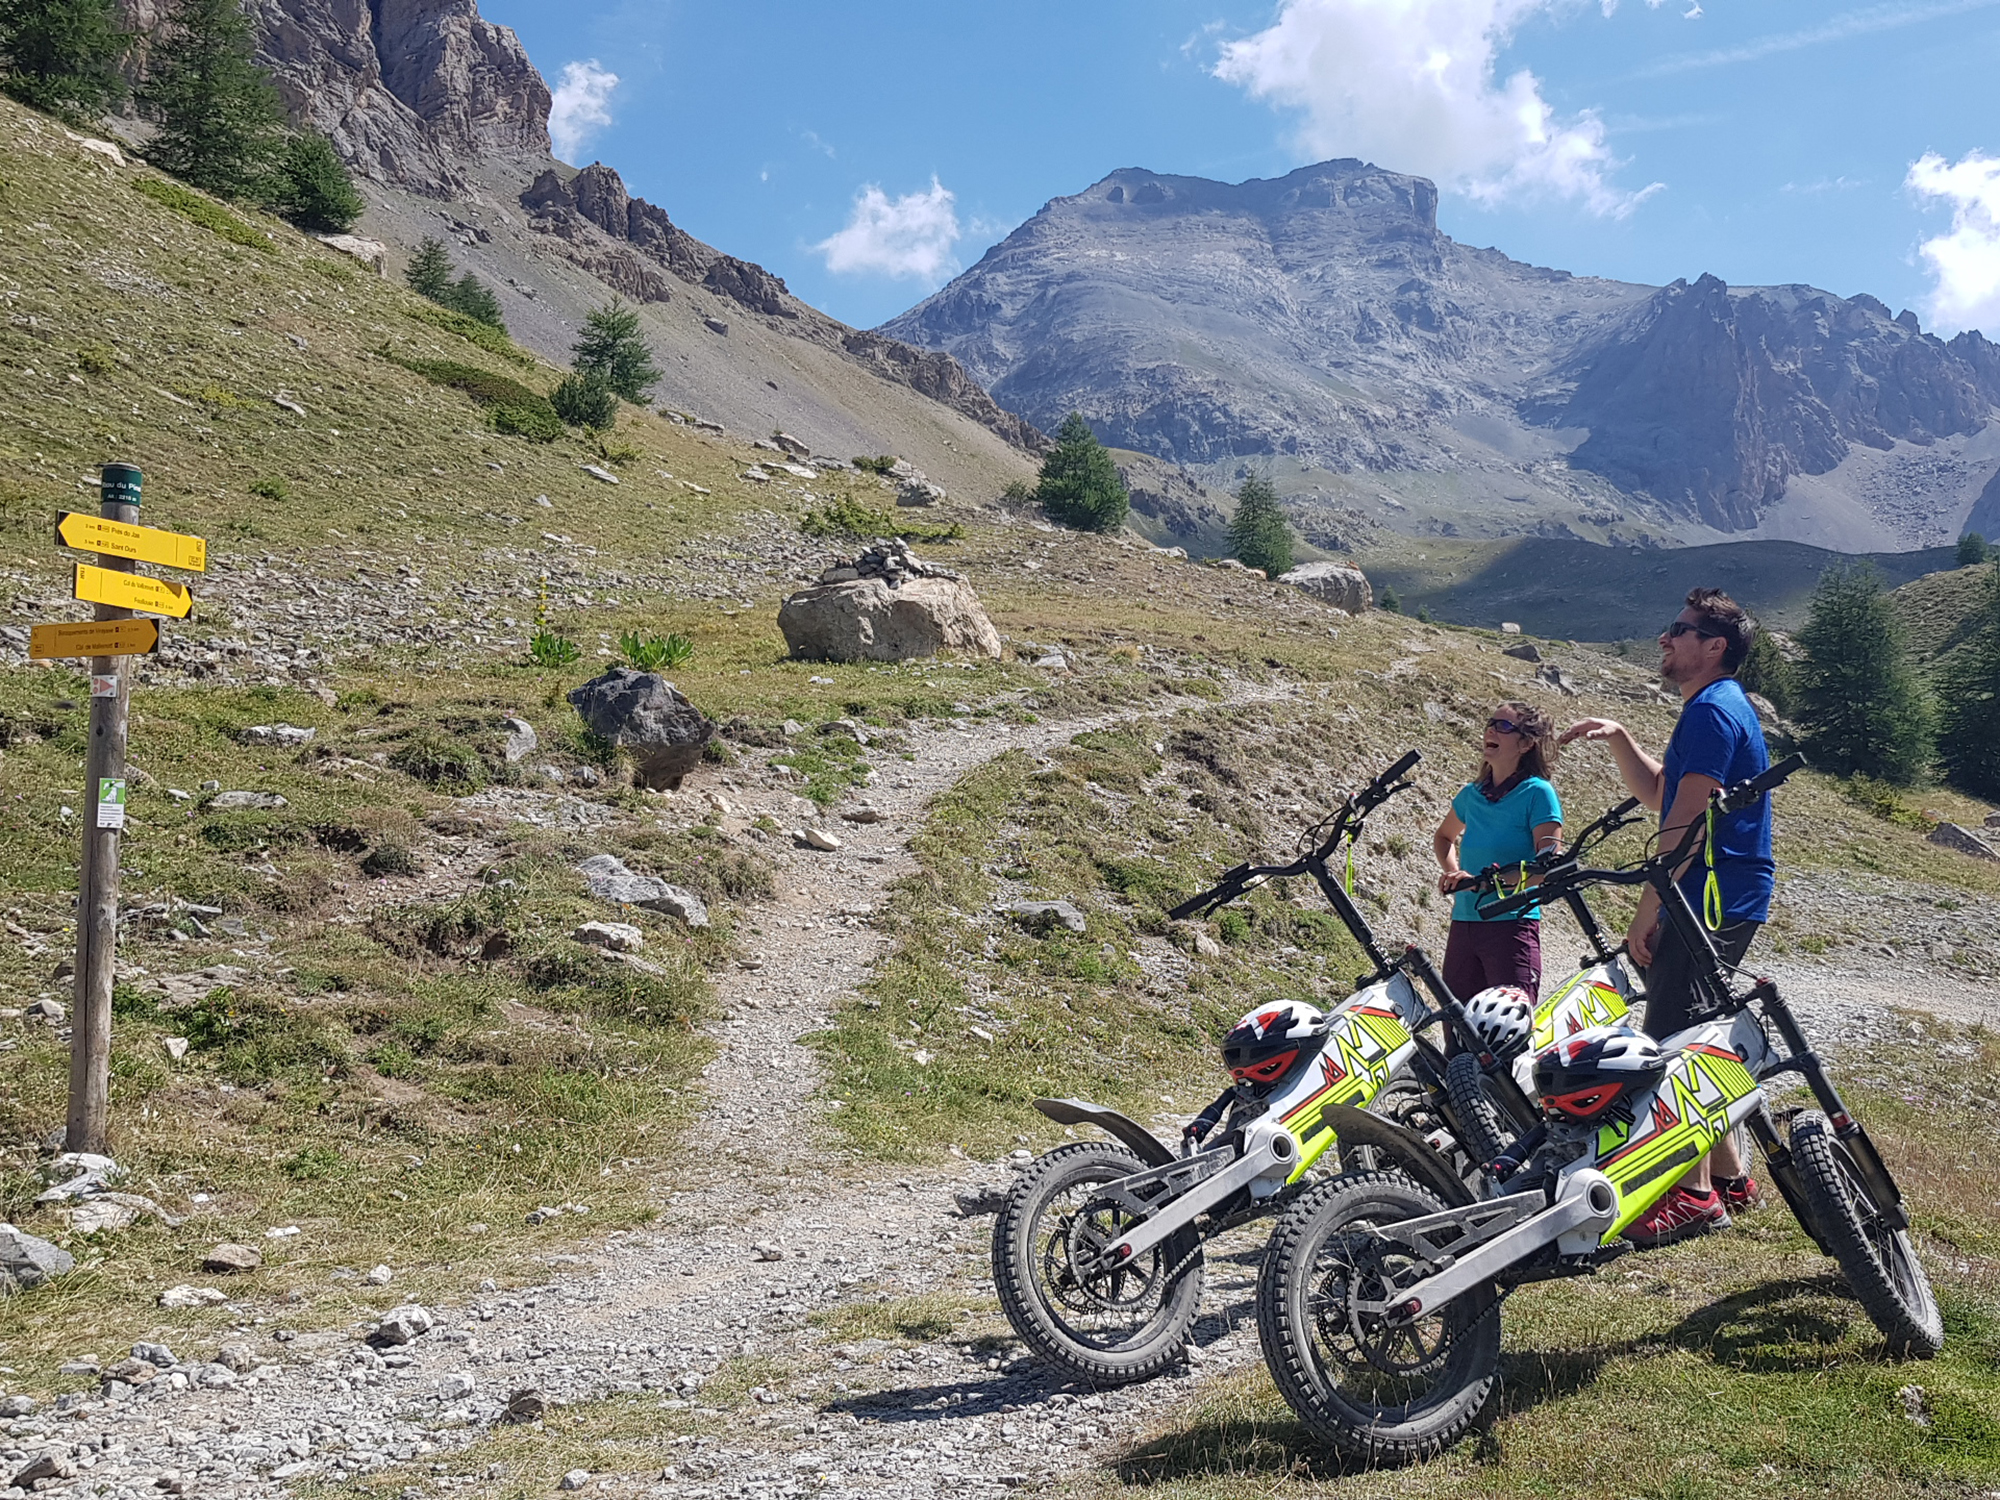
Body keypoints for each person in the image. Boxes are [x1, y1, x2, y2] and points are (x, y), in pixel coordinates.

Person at [1559, 586, 1772, 1246]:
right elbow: (1662, 794)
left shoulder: (1712, 711)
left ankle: (1693, 1196)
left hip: (1706, 898)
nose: (1665, 638)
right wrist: (1622, 738)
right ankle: (1733, 1178)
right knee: (1693, 1034)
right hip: (1721, 893)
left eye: (1679, 629)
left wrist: (1646, 912)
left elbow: (1681, 829)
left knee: (1670, 1047)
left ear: (1715, 646)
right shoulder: (1709, 708)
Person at [1432, 701, 1563, 1008]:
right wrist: (1453, 872)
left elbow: (1546, 867)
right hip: (1465, 922)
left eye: (1504, 726)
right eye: (1490, 723)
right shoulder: (1472, 794)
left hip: (1512, 925)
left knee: (1508, 1029)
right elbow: (1443, 837)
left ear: (1527, 744)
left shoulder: (1538, 793)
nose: (1491, 730)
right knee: (1459, 1028)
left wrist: (1487, 883)